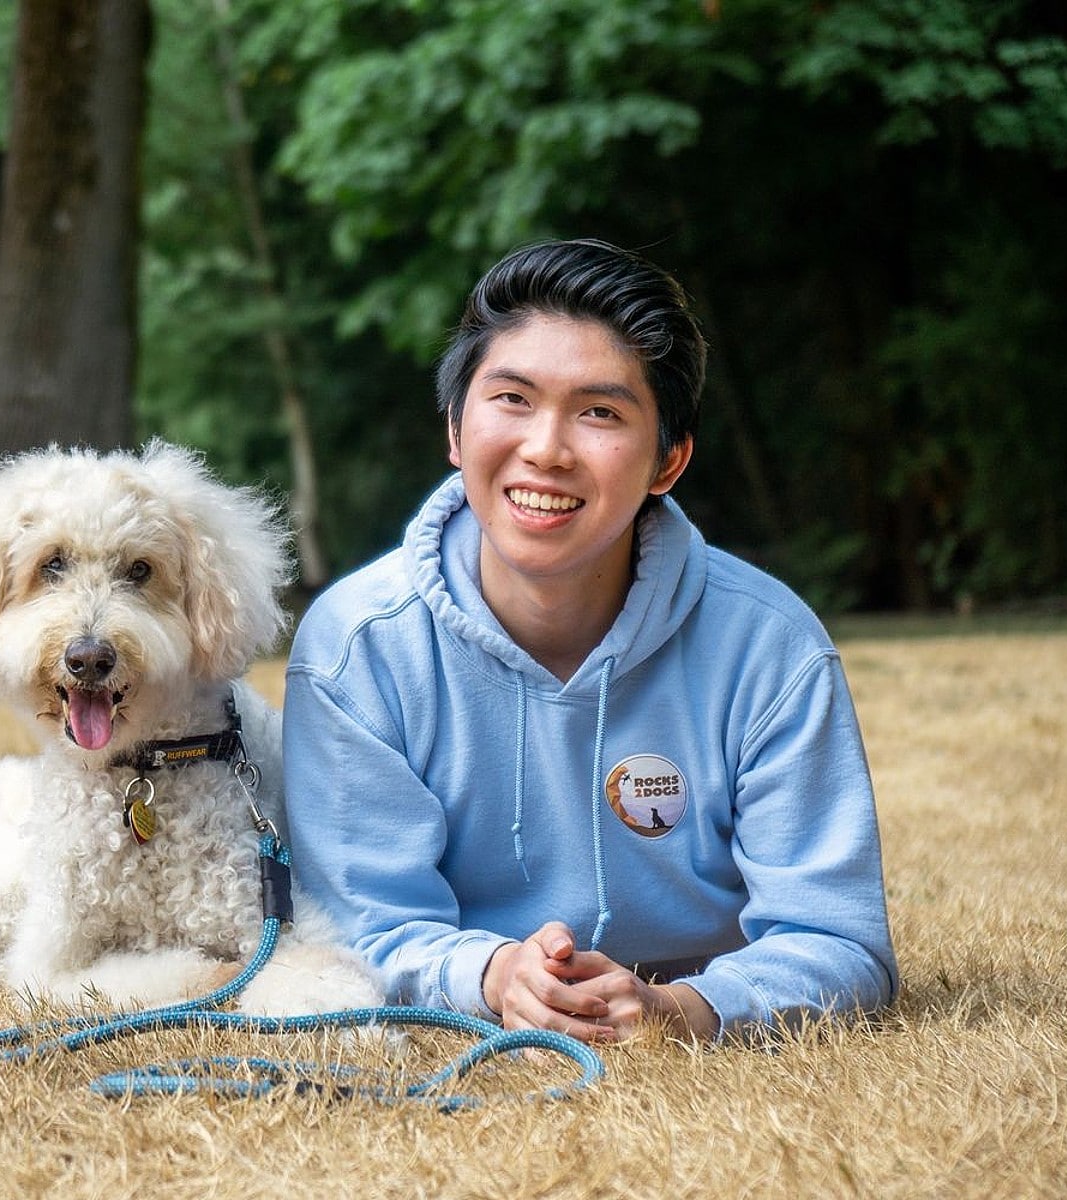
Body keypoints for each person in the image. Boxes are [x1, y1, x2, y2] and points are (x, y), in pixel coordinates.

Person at [282, 239, 897, 1044]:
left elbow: (841, 942)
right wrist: (496, 975)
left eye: (600, 412)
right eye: (512, 399)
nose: (547, 449)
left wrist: (688, 1009)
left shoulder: (771, 647)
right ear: (455, 430)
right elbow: (360, 928)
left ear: (668, 461)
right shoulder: (357, 648)